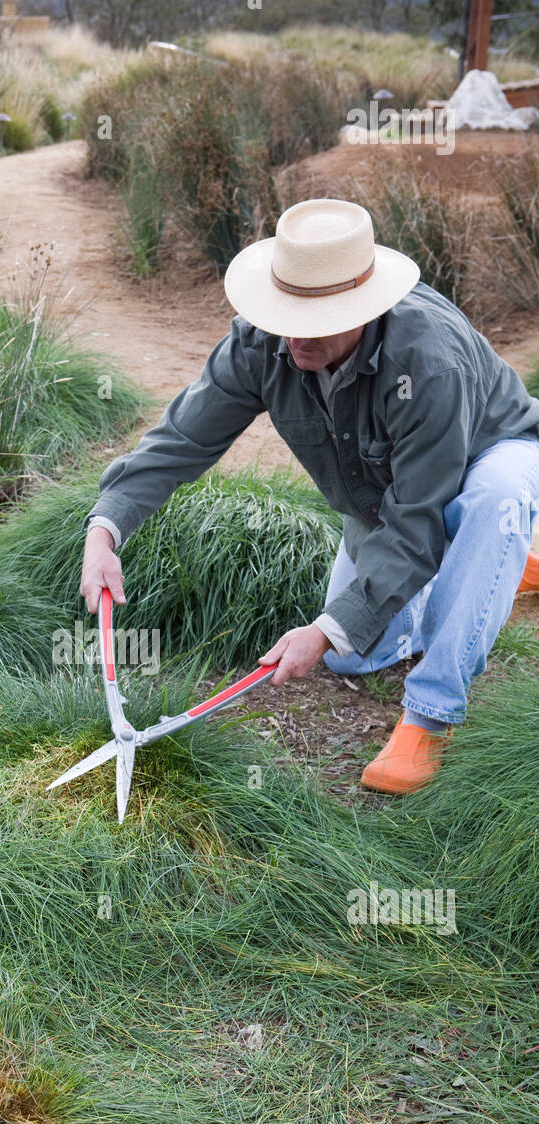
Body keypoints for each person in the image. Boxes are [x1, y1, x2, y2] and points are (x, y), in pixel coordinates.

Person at [79, 198, 539, 793]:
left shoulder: (428, 364)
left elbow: (416, 523)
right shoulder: (260, 345)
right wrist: (105, 528)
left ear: (365, 309)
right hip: (392, 497)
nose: (295, 336)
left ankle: (432, 712)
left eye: (316, 321)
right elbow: (182, 439)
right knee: (351, 652)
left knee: (493, 500)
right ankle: (500, 562)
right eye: (284, 313)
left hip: (493, 451)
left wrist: (321, 629)